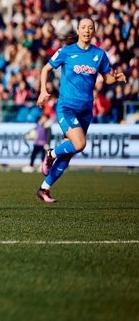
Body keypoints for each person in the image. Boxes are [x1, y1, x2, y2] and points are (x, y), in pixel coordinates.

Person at [36, 18, 126, 203]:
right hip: (66, 107)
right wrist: (43, 90)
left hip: (86, 110)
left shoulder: (99, 54)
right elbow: (46, 69)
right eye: (83, 27)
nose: (86, 30)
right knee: (79, 144)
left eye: (90, 27)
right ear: (78, 29)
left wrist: (115, 77)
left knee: (69, 153)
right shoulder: (67, 51)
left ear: (94, 31)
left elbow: (106, 78)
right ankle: (50, 153)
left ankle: (44, 188)